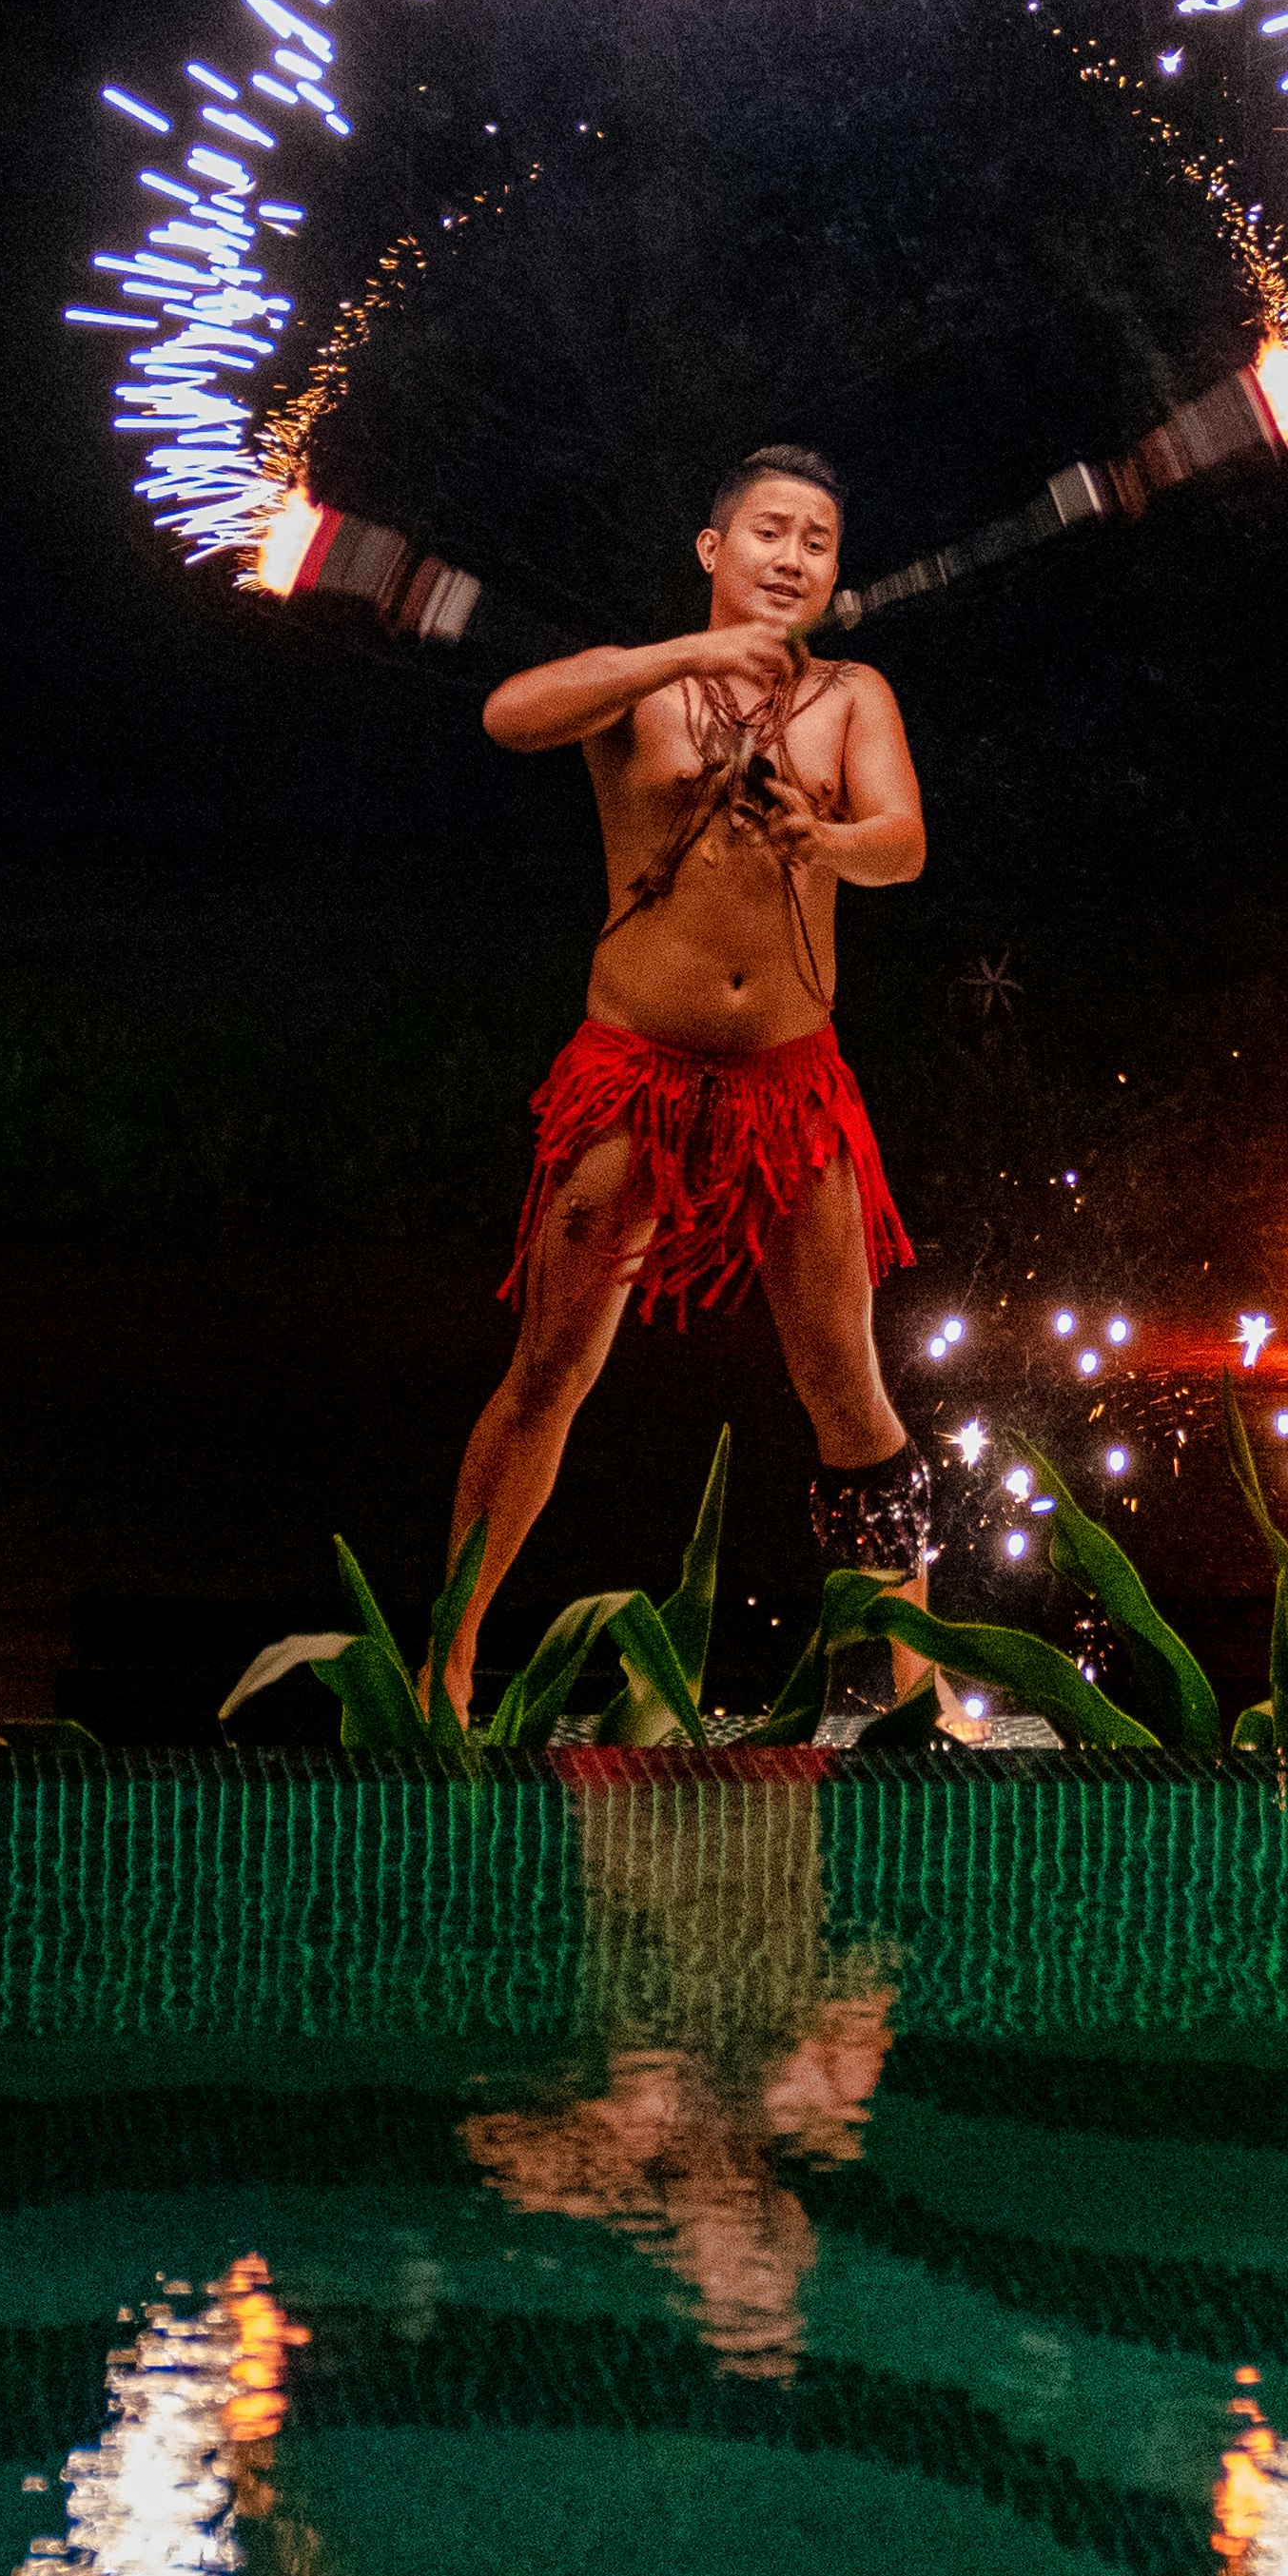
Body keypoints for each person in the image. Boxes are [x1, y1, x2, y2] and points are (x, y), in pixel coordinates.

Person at [443, 447, 938, 1710]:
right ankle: (442, 1672)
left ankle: (914, 1690)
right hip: (632, 1077)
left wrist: (817, 834)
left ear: (834, 571)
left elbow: (901, 845)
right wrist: (683, 658)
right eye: (768, 530)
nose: (793, 554)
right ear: (712, 552)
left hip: (791, 1085)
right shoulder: (637, 692)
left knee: (847, 1383)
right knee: (550, 1367)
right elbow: (507, 716)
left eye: (818, 539)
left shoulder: (851, 696)